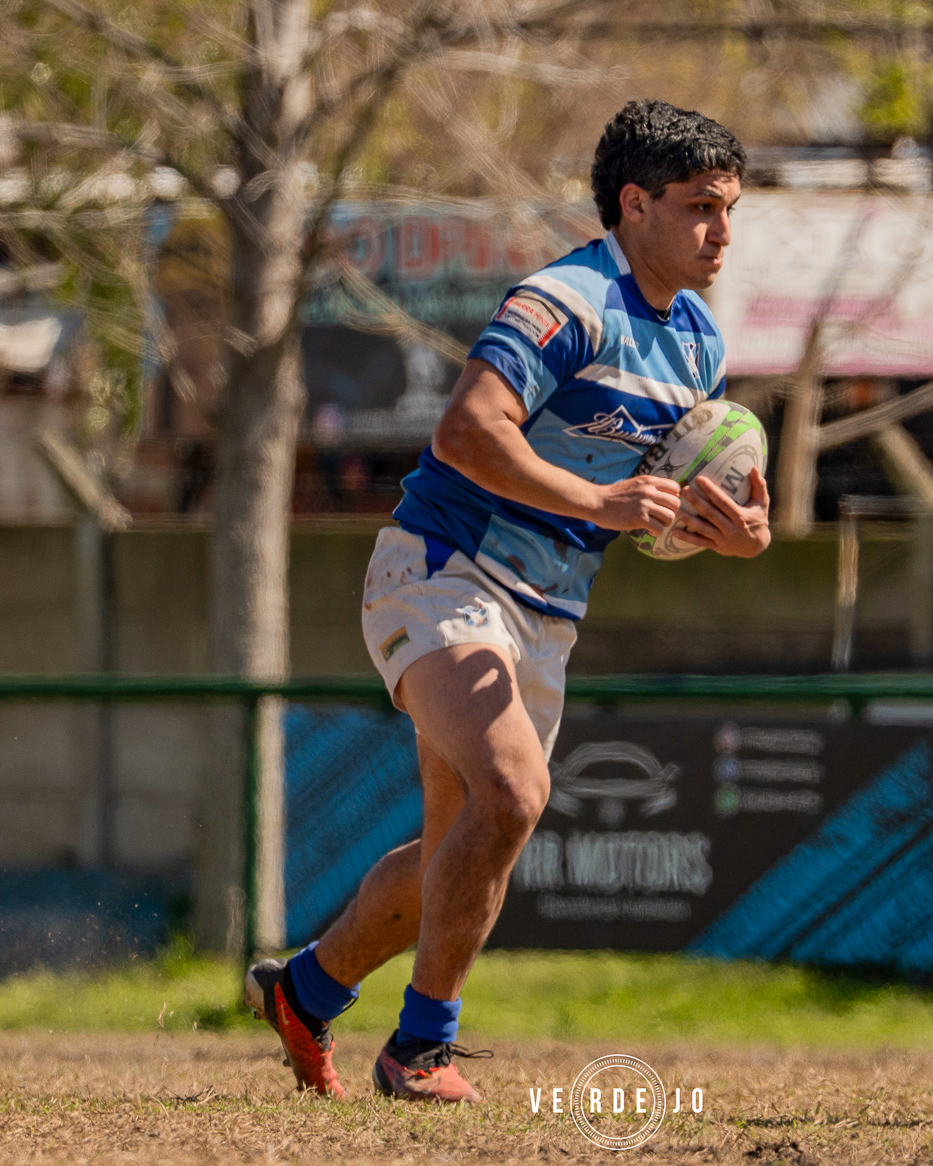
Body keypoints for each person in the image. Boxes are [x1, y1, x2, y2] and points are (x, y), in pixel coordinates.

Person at [239, 100, 769, 1104]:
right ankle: (421, 1047)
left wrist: (734, 532)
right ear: (635, 204)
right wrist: (600, 500)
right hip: (442, 569)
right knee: (516, 794)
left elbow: (663, 511)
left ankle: (306, 989)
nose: (722, 231)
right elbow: (466, 431)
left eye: (731, 208)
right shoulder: (564, 300)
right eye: (701, 206)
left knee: (455, 847)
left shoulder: (698, 343)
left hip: (547, 613)